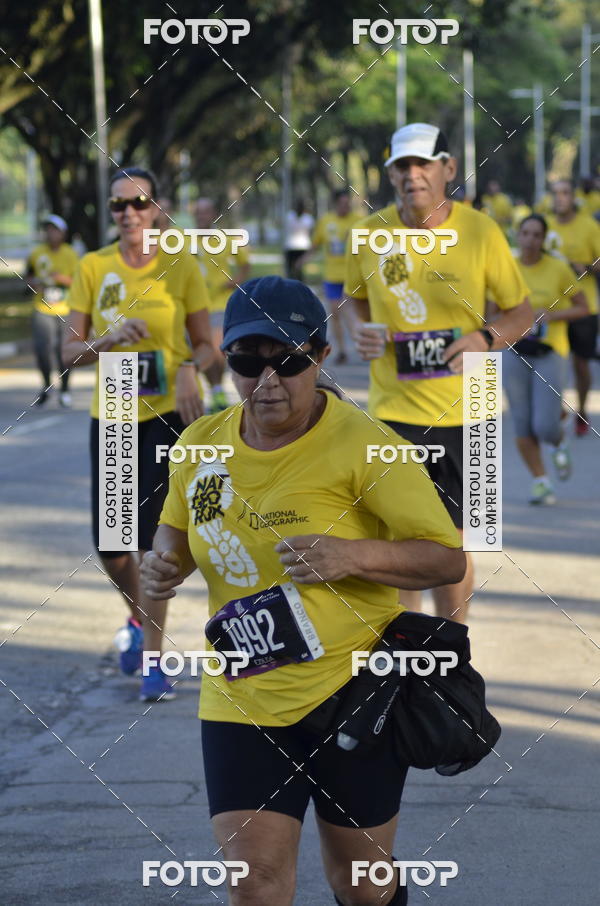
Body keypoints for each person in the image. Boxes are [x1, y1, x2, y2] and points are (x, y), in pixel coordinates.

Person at [140, 275, 465, 906]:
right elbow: (173, 537)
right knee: (254, 881)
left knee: (361, 884)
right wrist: (163, 566)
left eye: (287, 361)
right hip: (242, 696)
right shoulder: (200, 443)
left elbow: (446, 558)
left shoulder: (367, 445)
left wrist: (353, 554)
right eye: (246, 361)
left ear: (319, 356)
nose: (267, 381)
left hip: (353, 692)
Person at [344, 122, 533, 624]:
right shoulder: (367, 235)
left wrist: (484, 340)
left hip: (472, 409)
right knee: (401, 542)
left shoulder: (481, 231)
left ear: (448, 169)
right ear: (390, 175)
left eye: (422, 164)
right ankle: (407, 650)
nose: (412, 175)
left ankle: (451, 644)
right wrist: (360, 331)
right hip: (393, 411)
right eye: (402, 166)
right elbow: (354, 301)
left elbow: (521, 312)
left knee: (457, 544)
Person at [62, 166, 214, 701]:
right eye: (118, 205)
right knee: (112, 546)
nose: (128, 213)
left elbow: (207, 345)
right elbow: (69, 351)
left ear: (157, 209)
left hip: (167, 414)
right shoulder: (93, 266)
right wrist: (108, 339)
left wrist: (191, 367)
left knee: (153, 542)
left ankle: (153, 659)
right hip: (115, 411)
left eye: (139, 203)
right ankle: (136, 616)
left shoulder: (181, 263)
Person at [499, 215, 588, 504]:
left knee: (544, 426)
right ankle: (541, 482)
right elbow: (489, 311)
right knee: (522, 423)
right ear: (518, 235)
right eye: (525, 233)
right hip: (514, 350)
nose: (530, 240)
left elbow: (583, 307)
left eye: (537, 235)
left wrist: (551, 315)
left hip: (550, 351)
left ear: (543, 239)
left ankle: (558, 438)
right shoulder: (506, 269)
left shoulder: (557, 269)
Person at [546, 180, 600, 435]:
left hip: (584, 307)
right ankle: (557, 408)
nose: (560, 198)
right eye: (556, 193)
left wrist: (585, 267)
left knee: (580, 364)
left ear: (573, 197)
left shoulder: (588, 226)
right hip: (553, 307)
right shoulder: (546, 226)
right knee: (554, 362)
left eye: (565, 193)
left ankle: (582, 410)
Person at [193, 198, 251, 412]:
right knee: (204, 351)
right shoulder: (185, 241)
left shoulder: (226, 239)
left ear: (214, 214)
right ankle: (216, 389)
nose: (202, 216)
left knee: (218, 349)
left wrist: (235, 281)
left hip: (220, 303)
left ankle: (217, 389)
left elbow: (245, 264)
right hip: (196, 306)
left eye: (206, 212)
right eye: (198, 212)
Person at [300, 188, 361, 364]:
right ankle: (342, 350)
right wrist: (304, 259)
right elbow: (316, 244)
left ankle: (359, 343)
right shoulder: (326, 221)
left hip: (352, 275)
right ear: (335, 204)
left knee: (348, 311)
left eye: (347, 203)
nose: (345, 207)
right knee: (335, 313)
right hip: (332, 277)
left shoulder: (358, 221)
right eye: (341, 203)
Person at [25, 215, 79, 407]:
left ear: (63, 233)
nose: (50, 233)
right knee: (42, 349)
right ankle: (47, 385)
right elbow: (28, 277)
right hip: (42, 308)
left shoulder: (71, 254)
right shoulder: (37, 253)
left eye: (54, 230)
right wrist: (34, 284)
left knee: (63, 350)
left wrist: (61, 279)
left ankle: (65, 389)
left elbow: (79, 282)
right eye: (47, 229)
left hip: (65, 309)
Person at [284, 199, 314, 281]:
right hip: (292, 246)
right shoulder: (290, 216)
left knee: (299, 271)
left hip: (302, 246)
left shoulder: (307, 218)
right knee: (290, 270)